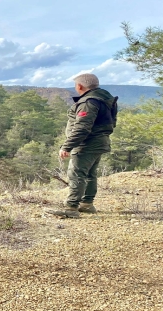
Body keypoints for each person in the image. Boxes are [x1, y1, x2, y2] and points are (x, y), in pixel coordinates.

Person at [46, 73, 118, 218]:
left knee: (76, 173)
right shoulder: (105, 98)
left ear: (79, 86)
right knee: (90, 174)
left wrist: (67, 146)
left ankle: (71, 208)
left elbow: (82, 127)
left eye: (75, 86)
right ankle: (87, 204)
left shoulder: (88, 102)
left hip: (88, 143)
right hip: (101, 141)